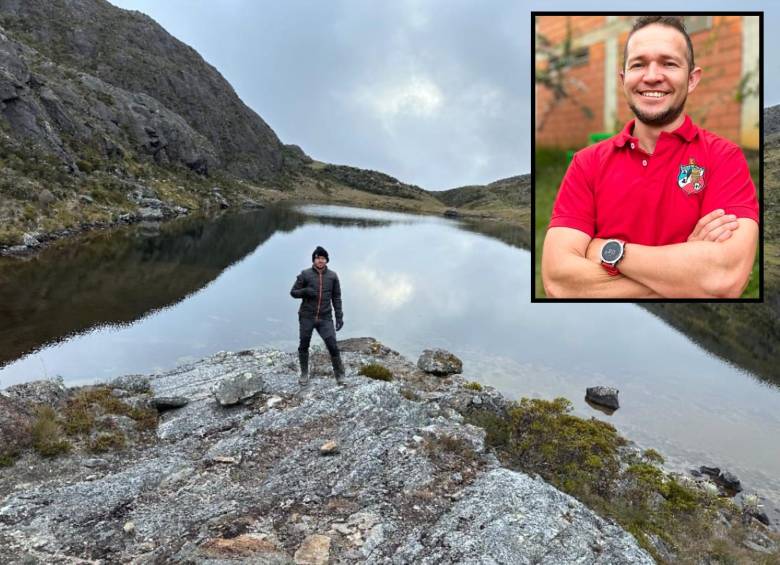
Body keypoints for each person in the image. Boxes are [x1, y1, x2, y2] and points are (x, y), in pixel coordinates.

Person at [542, 15, 759, 299]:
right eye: (638, 64)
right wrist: (687, 278)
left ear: (692, 79)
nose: (652, 75)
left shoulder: (725, 158)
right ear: (623, 79)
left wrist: (609, 252)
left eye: (669, 63)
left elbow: (725, 276)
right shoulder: (587, 163)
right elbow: (559, 282)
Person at [290, 246, 345, 385]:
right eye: (317, 258)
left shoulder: (333, 276)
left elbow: (336, 297)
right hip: (307, 316)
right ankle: (304, 373)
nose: (320, 260)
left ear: (327, 260)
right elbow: (293, 292)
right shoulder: (305, 274)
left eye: (323, 258)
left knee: (332, 345)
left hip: (325, 318)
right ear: (314, 260)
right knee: (304, 344)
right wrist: (305, 291)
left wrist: (339, 317)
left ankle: (340, 375)